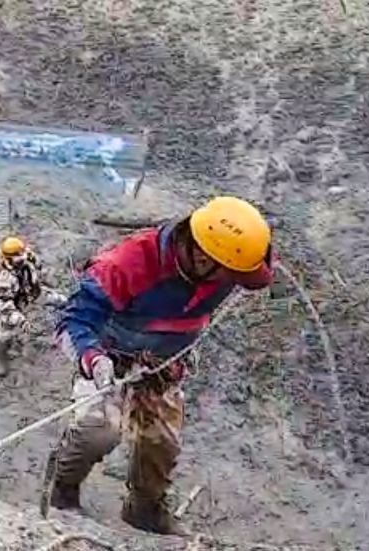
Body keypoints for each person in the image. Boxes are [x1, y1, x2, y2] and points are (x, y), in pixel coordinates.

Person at [50, 196, 275, 535]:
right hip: (111, 356)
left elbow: (260, 273)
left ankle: (145, 510)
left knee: (161, 443)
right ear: (202, 255)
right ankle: (62, 491)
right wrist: (93, 360)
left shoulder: (229, 261)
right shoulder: (128, 263)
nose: (231, 281)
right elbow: (73, 321)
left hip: (164, 364)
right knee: (98, 431)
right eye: (229, 273)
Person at [0, 236, 42, 374]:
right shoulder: (2, 279)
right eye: (19, 255)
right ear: (8, 258)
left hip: (28, 291)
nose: (23, 256)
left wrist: (34, 261)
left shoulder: (23, 257)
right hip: (10, 302)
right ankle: (0, 357)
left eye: (23, 253)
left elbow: (37, 263)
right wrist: (21, 320)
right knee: (6, 332)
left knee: (59, 300)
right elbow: (6, 307)